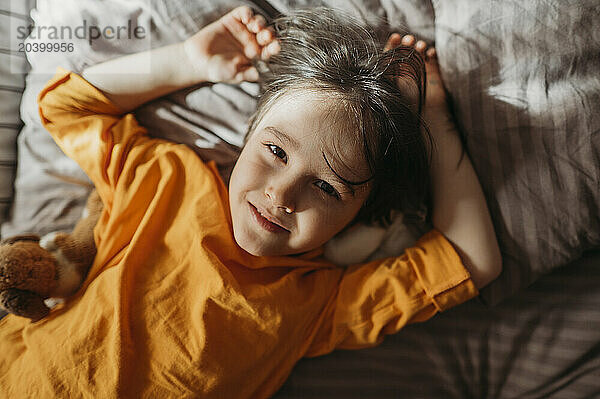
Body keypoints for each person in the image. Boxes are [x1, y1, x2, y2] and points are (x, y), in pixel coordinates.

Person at [0, 6, 501, 398]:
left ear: (359, 216)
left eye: (327, 188)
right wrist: (187, 61)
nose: (280, 195)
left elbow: (474, 259)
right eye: (276, 151)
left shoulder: (318, 302)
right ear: (248, 135)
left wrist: (435, 116)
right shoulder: (166, 180)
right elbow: (65, 106)